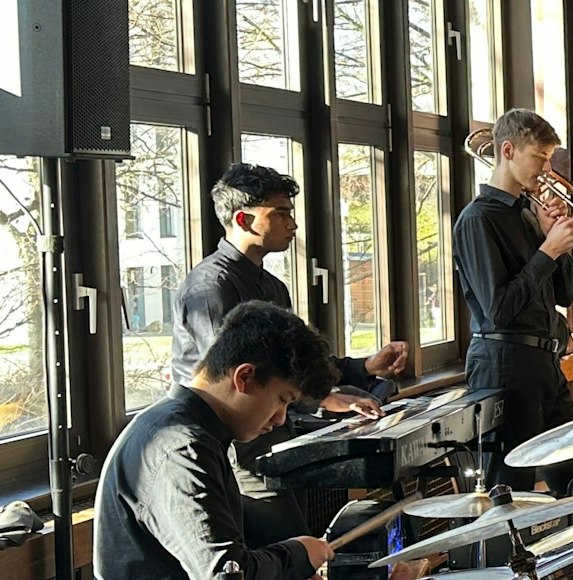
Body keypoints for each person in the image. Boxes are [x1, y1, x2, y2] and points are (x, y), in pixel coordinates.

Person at [93, 302, 374, 580]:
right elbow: (224, 577)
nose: (280, 419)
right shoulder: (178, 446)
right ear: (243, 377)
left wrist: (287, 576)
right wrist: (296, 555)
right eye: (281, 401)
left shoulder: (198, 432)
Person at [171, 163, 409, 544]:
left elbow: (294, 363)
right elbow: (237, 382)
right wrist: (322, 400)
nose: (292, 225)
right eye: (280, 214)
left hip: (272, 439)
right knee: (294, 557)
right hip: (233, 453)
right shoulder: (210, 289)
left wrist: (364, 367)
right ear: (244, 218)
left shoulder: (272, 286)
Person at [453, 108, 573, 491]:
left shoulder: (528, 213)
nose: (546, 168)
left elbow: (565, 294)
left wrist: (555, 243)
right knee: (511, 488)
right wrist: (547, 252)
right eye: (539, 157)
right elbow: (498, 310)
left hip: (544, 360)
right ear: (507, 150)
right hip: (504, 363)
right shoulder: (478, 219)